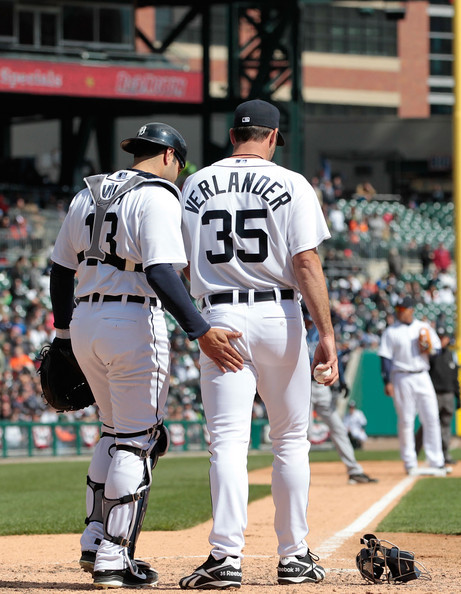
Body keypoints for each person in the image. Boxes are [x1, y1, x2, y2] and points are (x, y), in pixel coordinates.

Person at [49, 122, 244, 589]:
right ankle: (115, 557)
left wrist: (61, 334)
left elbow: (59, 269)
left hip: (85, 321)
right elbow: (160, 271)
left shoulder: (89, 194)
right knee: (138, 440)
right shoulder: (158, 195)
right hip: (132, 321)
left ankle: (95, 539)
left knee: (113, 432)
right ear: (171, 158)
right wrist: (200, 330)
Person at [178, 98, 338, 588]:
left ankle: (225, 558)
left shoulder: (195, 183)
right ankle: (294, 557)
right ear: (272, 137)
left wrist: (199, 323)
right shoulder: (292, 183)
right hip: (280, 314)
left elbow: (181, 265)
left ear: (232, 135)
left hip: (219, 316)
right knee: (289, 441)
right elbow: (306, 262)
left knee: (226, 443)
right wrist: (326, 334)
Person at [304, 309, 377, 484]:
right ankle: (299, 475)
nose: (308, 321)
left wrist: (342, 380)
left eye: (309, 318)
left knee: (338, 428)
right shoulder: (294, 330)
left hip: (321, 388)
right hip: (302, 387)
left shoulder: (320, 333)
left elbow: (332, 356)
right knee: (304, 433)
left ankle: (354, 470)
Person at [377, 296, 447, 476]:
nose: (400, 312)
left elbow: (437, 350)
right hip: (401, 377)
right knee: (406, 420)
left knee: (431, 417)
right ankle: (410, 462)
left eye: (403, 309)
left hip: (422, 375)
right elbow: (385, 357)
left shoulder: (423, 328)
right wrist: (387, 381)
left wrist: (429, 349)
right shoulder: (391, 331)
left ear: (411, 310)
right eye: (399, 309)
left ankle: (436, 460)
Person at [414, 327, 459, 466]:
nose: (442, 339)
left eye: (444, 337)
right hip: (433, 393)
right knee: (427, 423)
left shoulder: (452, 355)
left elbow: (455, 377)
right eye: (439, 337)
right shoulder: (433, 355)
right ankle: (414, 452)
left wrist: (458, 395)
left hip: (449, 394)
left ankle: (444, 454)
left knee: (445, 426)